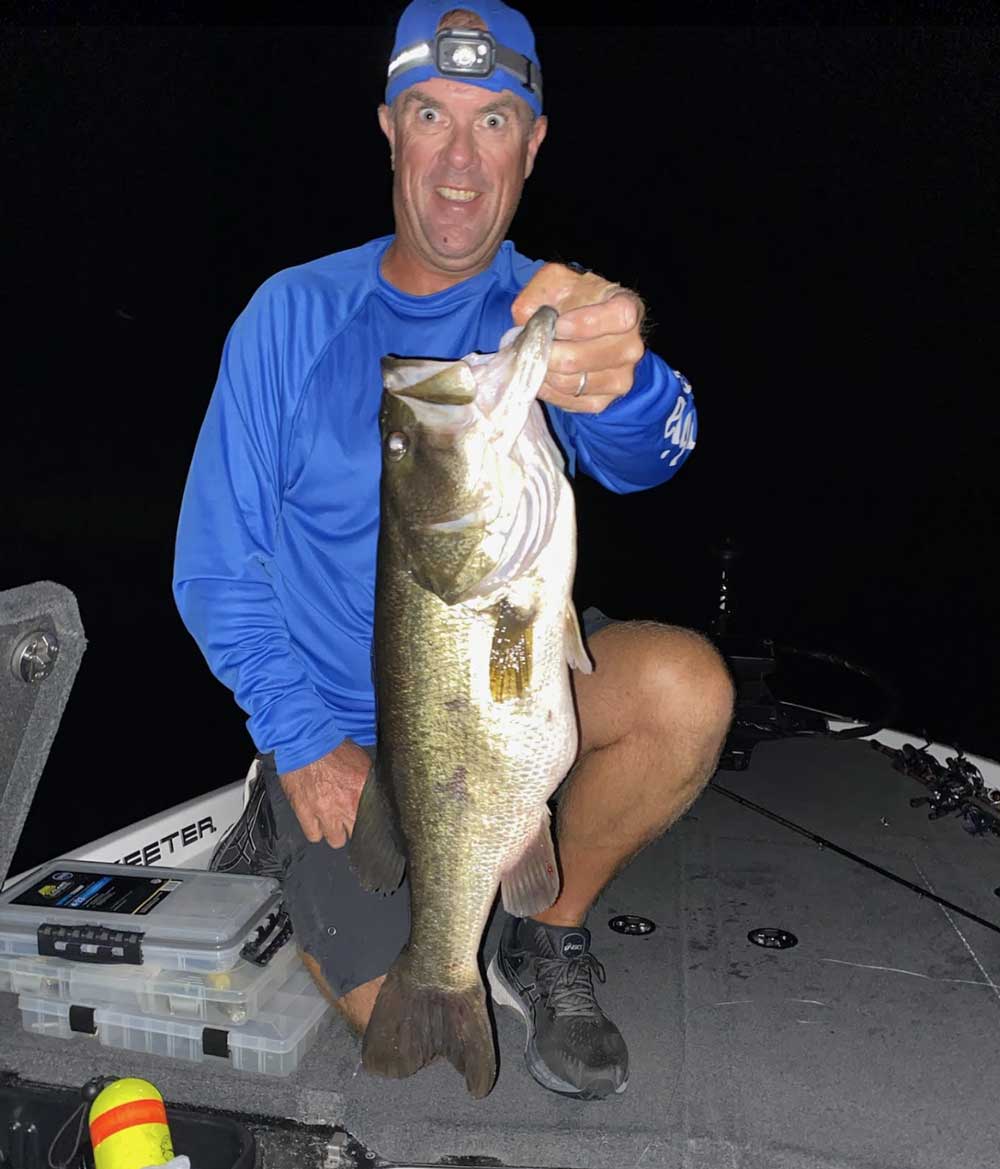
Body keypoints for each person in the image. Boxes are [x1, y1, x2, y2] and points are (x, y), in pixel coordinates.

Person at [173, 0, 733, 1101]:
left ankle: (548, 925)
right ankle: (294, 829)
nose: (459, 158)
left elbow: (649, 455)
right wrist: (296, 736)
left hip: (502, 662)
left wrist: (626, 379)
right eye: (433, 114)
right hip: (336, 729)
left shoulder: (545, 313)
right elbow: (213, 564)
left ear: (531, 145)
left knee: (683, 690)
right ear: (390, 127)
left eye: (493, 122)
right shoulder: (290, 316)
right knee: (403, 1024)